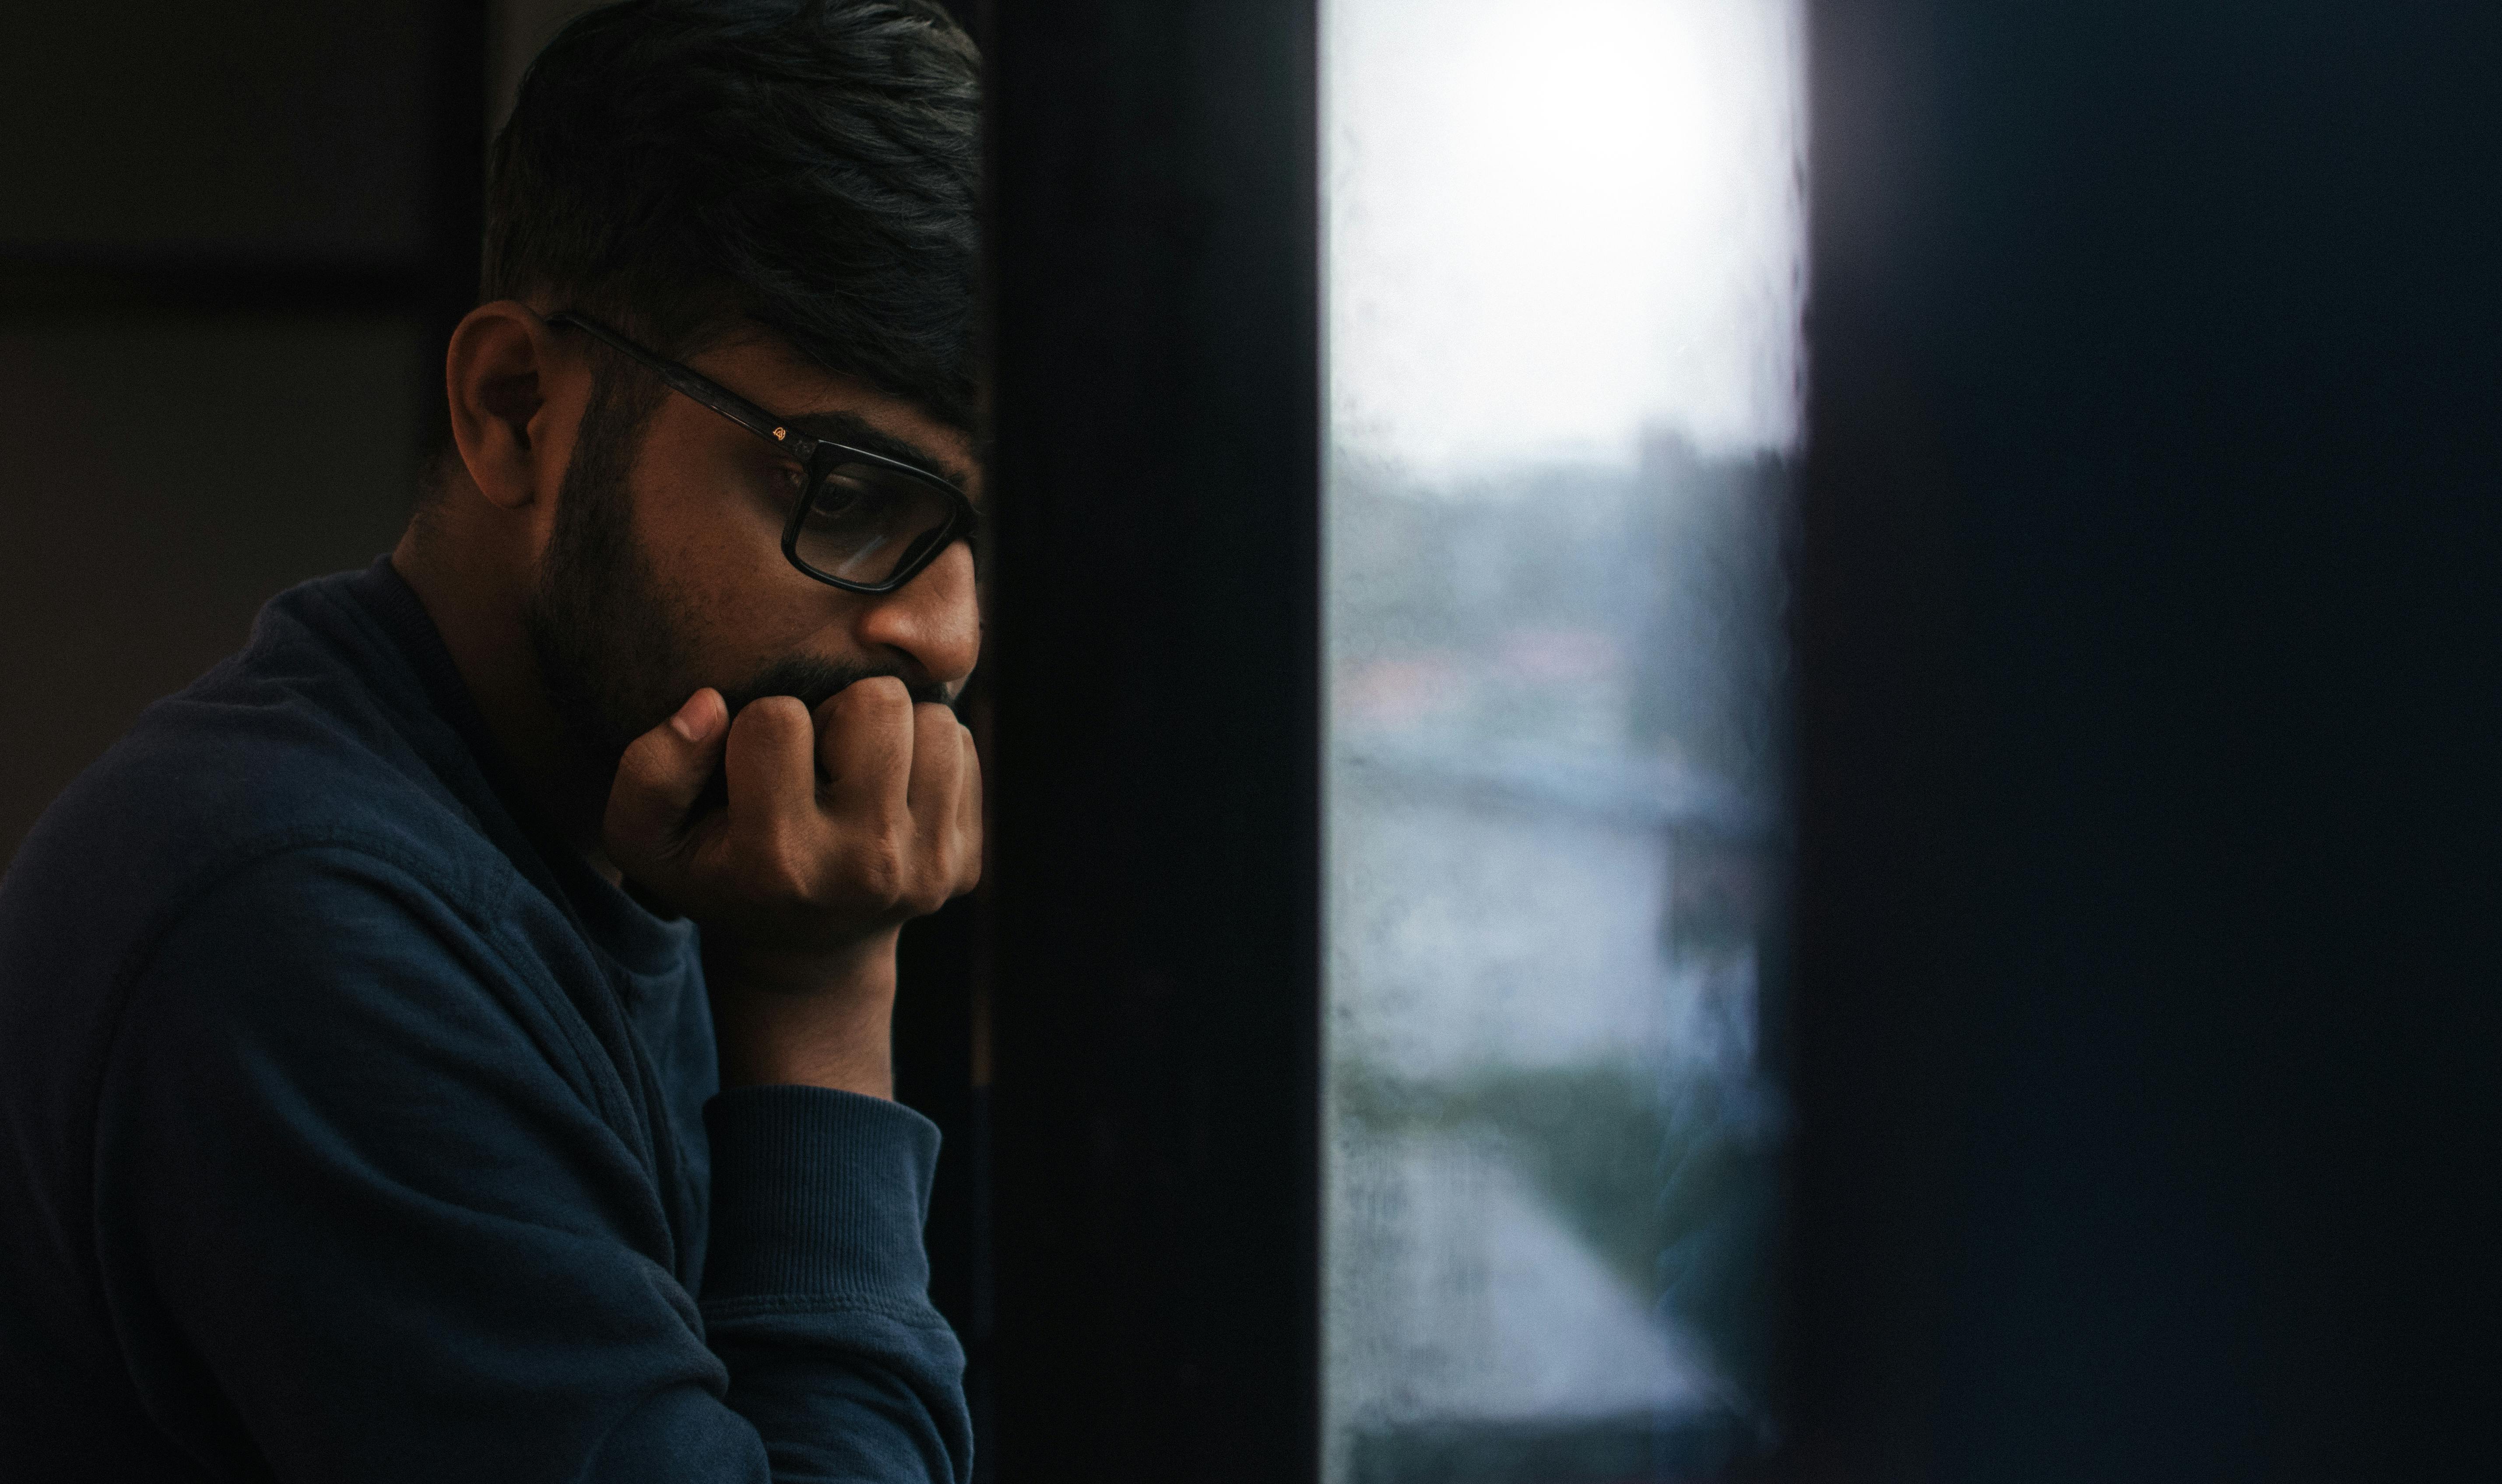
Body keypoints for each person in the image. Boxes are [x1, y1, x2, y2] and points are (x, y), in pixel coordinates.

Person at [0, 3, 984, 1478]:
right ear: (514, 407)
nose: (946, 635)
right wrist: (825, 998)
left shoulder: (627, 831)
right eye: (846, 496)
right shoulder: (300, 917)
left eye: (990, 538)